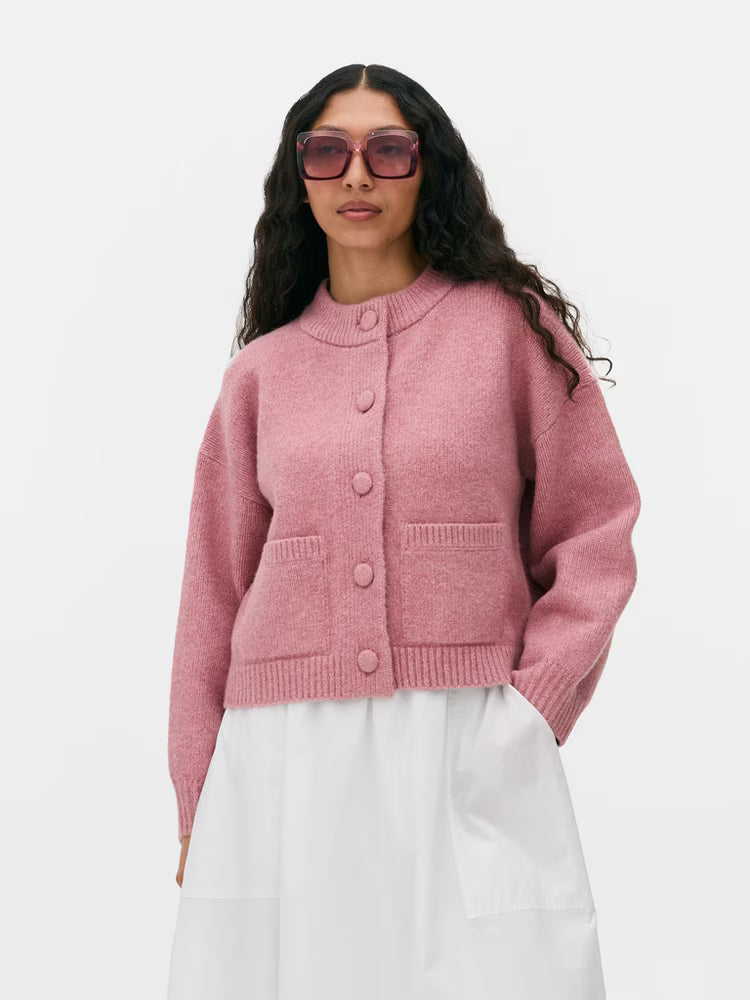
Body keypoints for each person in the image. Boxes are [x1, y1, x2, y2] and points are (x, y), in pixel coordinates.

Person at [166, 63, 641, 1000]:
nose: (356, 174)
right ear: (299, 178)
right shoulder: (259, 376)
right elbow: (213, 592)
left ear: (428, 170)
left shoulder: (509, 333)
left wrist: (532, 708)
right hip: (283, 761)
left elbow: (596, 527)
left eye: (388, 150)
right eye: (327, 151)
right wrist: (196, 796)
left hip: (467, 739)